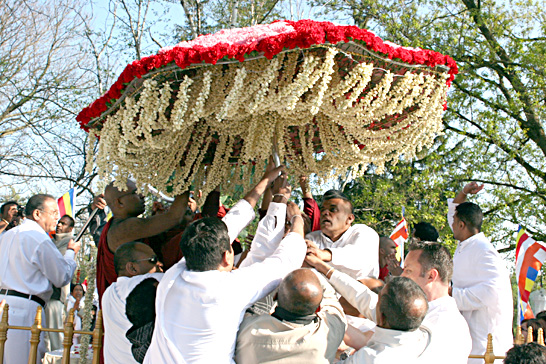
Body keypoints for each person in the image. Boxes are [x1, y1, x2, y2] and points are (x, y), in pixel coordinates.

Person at [144, 166, 308, 364]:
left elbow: (231, 222)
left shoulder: (173, 276)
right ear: (226, 257)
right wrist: (296, 216)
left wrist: (267, 182)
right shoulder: (227, 290)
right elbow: (285, 259)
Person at [306, 254, 432, 364]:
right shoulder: (419, 327)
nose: (374, 299)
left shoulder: (371, 359)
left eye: (378, 299)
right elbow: (362, 296)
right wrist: (324, 268)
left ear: (380, 317)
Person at [0, 194, 80, 364]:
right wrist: (71, 252)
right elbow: (61, 276)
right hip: (25, 309)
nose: (56, 218)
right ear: (37, 214)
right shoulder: (39, 238)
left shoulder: (6, 235)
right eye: (52, 212)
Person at [448, 182, 513, 362]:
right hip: (471, 343)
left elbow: (492, 292)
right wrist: (463, 193)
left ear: (461, 225)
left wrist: (451, 294)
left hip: (486, 347)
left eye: (454, 222)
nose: (450, 224)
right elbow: (453, 212)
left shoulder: (484, 250)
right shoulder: (467, 244)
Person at [96, 179, 189, 303]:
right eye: (136, 192)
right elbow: (174, 217)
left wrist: (155, 218)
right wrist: (185, 178)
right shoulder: (123, 229)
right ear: (120, 202)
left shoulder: (121, 226)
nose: (142, 195)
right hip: (135, 304)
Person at [235, 268, 347, 363]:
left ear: (275, 297)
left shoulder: (245, 329)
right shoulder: (329, 334)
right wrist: (312, 270)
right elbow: (331, 300)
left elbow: (256, 305)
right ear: (318, 309)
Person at [401, 242, 472, 363]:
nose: (402, 276)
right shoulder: (429, 313)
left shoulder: (446, 324)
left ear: (431, 276)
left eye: (408, 270)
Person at [102, 241, 164, 364]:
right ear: (132, 268)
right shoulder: (142, 283)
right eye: (153, 260)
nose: (160, 264)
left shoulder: (109, 292)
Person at [305, 189, 379, 280]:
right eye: (323, 210)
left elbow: (359, 257)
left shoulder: (365, 232)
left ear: (349, 218)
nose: (325, 213)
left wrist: (324, 255)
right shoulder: (312, 237)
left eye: (333, 210)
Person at [44, 214, 76, 351]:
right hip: (42, 295)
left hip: (56, 296)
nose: (59, 225)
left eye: (63, 223)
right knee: (43, 337)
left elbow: (58, 266)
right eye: (58, 222)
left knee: (55, 337)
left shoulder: (70, 242)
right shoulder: (49, 241)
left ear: (70, 228)